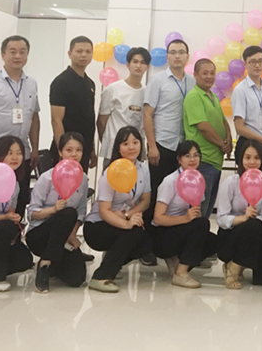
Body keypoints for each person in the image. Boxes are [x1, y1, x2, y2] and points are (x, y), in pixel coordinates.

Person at [143, 38, 193, 266]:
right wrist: (151, 146)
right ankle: (147, 247)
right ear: (167, 56)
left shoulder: (192, 82)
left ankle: (174, 246)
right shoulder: (157, 81)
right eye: (173, 52)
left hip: (183, 149)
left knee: (179, 198)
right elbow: (147, 114)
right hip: (162, 146)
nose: (177, 56)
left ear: (187, 56)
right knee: (155, 197)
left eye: (181, 52)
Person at [83, 126, 152, 293]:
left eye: (135, 142)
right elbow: (104, 211)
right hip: (97, 226)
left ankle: (112, 261)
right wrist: (126, 224)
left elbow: (145, 200)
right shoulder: (111, 172)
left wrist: (128, 215)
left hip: (122, 218)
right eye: (125, 143)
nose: (131, 147)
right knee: (134, 233)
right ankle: (101, 277)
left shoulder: (143, 168)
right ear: (118, 148)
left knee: (147, 241)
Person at [216, 140, 262, 289]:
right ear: (241, 159)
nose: (252, 162)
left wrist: (251, 220)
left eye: (257, 158)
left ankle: (242, 263)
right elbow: (221, 219)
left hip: (253, 236)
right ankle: (233, 268)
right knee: (253, 224)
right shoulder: (231, 182)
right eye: (247, 157)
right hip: (230, 238)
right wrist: (243, 218)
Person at [0, 35, 40, 216]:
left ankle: (14, 233)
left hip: (21, 154)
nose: (17, 56)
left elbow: (34, 117)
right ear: (3, 55)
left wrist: (35, 149)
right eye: (12, 52)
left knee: (19, 201)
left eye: (22, 52)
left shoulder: (31, 83)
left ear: (27, 55)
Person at [26, 132, 89, 293]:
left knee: (77, 279)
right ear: (60, 152)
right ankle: (45, 264)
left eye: (78, 150)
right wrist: (53, 210)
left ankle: (54, 264)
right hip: (39, 235)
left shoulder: (83, 179)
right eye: (69, 150)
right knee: (68, 213)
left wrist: (72, 235)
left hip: (63, 238)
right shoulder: (47, 178)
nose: (74, 154)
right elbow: (32, 213)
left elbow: (81, 211)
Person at [152, 140, 219, 289]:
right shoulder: (170, 181)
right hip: (162, 235)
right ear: (179, 159)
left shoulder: (198, 180)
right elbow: (158, 218)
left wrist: (191, 220)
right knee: (203, 224)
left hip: (181, 229)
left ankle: (178, 263)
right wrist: (185, 218)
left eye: (196, 155)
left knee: (213, 241)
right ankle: (181, 273)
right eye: (187, 155)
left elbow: (196, 214)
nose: (192, 159)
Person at [231, 46, 262, 237]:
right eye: (252, 61)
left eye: (260, 61)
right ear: (245, 63)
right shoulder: (240, 90)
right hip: (248, 148)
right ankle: (247, 240)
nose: (257, 65)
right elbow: (239, 127)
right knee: (249, 196)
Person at [0, 135, 33, 291]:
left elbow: (7, 209)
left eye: (19, 153)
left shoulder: (14, 183)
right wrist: (4, 217)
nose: (15, 157)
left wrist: (13, 217)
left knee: (25, 260)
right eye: (10, 153)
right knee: (5, 226)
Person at [183, 58, 232, 218]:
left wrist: (229, 141)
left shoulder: (213, 96)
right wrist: (222, 144)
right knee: (199, 210)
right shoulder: (194, 97)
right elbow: (203, 126)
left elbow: (224, 121)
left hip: (215, 160)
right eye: (205, 73)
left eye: (212, 73)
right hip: (202, 161)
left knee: (208, 209)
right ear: (195, 75)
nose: (209, 76)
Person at [97, 47, 151, 168]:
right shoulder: (113, 89)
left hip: (136, 151)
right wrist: (109, 142)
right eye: (135, 61)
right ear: (128, 64)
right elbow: (101, 121)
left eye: (143, 63)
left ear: (147, 67)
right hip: (114, 150)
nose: (138, 66)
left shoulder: (147, 92)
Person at [50, 36, 96, 172]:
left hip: (83, 149)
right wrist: (63, 151)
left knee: (81, 183)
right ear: (70, 54)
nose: (84, 55)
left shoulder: (90, 83)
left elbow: (89, 118)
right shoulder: (61, 82)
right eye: (79, 51)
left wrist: (91, 148)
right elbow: (56, 120)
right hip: (68, 150)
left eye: (88, 52)